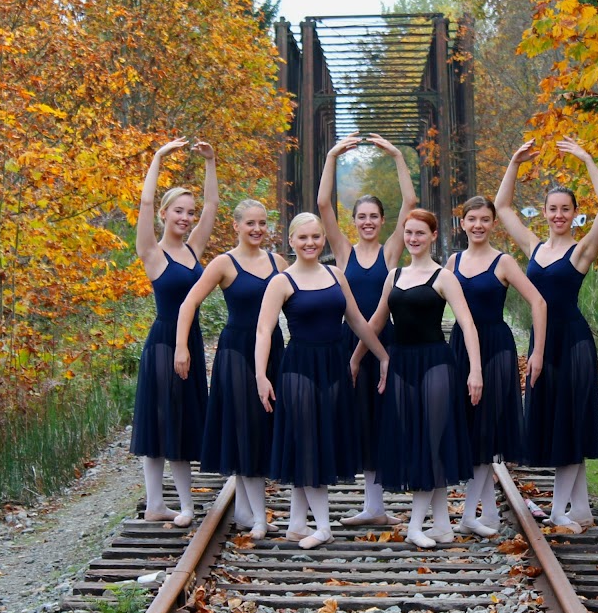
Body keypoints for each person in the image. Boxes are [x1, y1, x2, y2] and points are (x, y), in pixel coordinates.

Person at [493, 137, 598, 533]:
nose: (559, 215)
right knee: (560, 421)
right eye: (553, 209)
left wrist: (587, 159)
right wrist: (514, 162)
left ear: (575, 214)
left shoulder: (580, 251)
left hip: (573, 344)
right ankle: (580, 510)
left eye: (566, 209)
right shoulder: (534, 248)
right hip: (542, 342)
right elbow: (502, 208)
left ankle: (561, 510)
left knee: (569, 424)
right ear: (544, 213)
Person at [255, 213, 390, 550]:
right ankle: (324, 526)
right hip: (300, 367)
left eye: (316, 236)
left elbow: (357, 320)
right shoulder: (281, 282)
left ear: (323, 239)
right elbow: (263, 331)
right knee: (307, 441)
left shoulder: (335, 275)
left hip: (333, 366)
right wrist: (260, 375)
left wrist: (382, 355)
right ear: (291, 241)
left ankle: (297, 524)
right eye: (303, 238)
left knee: (319, 440)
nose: (310, 243)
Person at [353, 209, 482, 549]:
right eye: (408, 232)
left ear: (433, 236)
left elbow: (467, 324)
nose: (413, 238)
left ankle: (414, 526)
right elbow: (376, 321)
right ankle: (442, 526)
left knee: (431, 440)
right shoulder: (393, 276)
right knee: (418, 441)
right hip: (401, 364)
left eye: (420, 233)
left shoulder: (444, 277)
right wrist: (356, 358)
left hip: (435, 363)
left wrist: (476, 370)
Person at [316, 132, 417, 527]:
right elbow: (323, 205)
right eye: (362, 216)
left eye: (374, 216)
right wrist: (331, 156)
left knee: (381, 418)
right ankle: (370, 505)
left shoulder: (391, 252)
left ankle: (378, 506)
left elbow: (411, 203)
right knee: (354, 418)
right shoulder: (344, 252)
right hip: (349, 341)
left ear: (382, 221)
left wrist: (397, 155)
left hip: (384, 344)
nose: (368, 222)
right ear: (354, 221)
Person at [175, 199, 288, 540]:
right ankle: (258, 518)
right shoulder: (224, 263)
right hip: (237, 353)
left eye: (262, 223)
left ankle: (244, 511)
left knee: (264, 427)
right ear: (236, 225)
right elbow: (189, 302)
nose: (257, 229)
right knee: (247, 426)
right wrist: (181, 347)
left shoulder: (278, 262)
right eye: (250, 223)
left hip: (272, 350)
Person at [446, 197, 547, 538]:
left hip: (495, 349)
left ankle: (468, 515)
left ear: (493, 223)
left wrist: (537, 352)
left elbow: (538, 301)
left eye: (484, 219)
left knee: (485, 430)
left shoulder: (503, 262)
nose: (478, 225)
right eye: (472, 219)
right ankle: (488, 513)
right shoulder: (453, 261)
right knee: (470, 428)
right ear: (462, 223)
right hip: (461, 348)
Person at [131, 137, 220, 528]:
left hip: (191, 342)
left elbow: (212, 206)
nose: (185, 218)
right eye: (178, 211)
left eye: (189, 212)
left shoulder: (193, 249)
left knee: (181, 419)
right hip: (165, 342)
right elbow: (145, 202)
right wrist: (157, 157)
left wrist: (210, 163)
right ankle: (164, 505)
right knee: (159, 421)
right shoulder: (152, 252)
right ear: (165, 214)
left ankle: (179, 504)